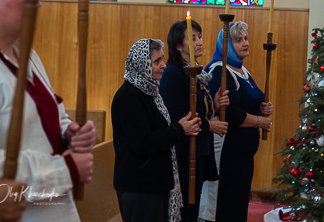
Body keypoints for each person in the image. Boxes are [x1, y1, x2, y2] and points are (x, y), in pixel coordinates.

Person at [0, 0, 95, 221]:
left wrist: (69, 133)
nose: (37, 3)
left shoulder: (26, 54)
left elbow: (55, 113)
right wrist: (66, 171)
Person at [111, 38, 201, 222]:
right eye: (156, 61)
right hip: (138, 187)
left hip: (153, 183)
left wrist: (179, 128)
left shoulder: (150, 92)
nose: (163, 65)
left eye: (162, 59)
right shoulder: (128, 97)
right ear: (141, 64)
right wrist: (179, 130)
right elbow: (143, 144)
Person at [202, 21, 273, 222]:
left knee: (239, 205)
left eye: (246, 38)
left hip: (243, 154)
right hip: (228, 152)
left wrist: (263, 108)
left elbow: (250, 101)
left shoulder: (242, 70)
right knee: (228, 206)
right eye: (238, 40)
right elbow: (230, 113)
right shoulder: (219, 70)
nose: (245, 43)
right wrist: (260, 121)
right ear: (225, 46)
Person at [160, 20, 229, 222]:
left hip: (198, 150)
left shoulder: (196, 72)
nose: (199, 41)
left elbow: (197, 110)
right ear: (178, 46)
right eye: (192, 38)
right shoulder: (174, 74)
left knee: (194, 207)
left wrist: (215, 105)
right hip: (183, 153)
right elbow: (178, 117)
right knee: (185, 210)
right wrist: (210, 125)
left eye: (199, 36)